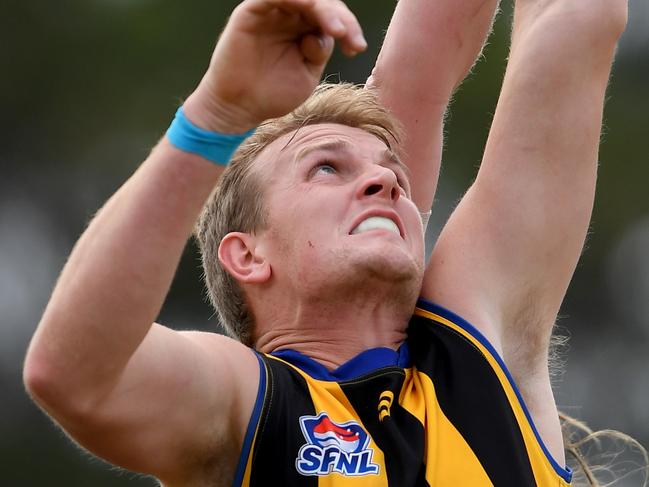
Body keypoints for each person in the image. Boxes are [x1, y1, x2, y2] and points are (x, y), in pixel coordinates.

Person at [23, 0, 631, 485]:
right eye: (325, 169)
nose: (386, 180)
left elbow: (574, 16)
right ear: (247, 254)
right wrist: (219, 111)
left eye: (391, 172)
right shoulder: (248, 405)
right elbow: (74, 374)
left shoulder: (478, 356)